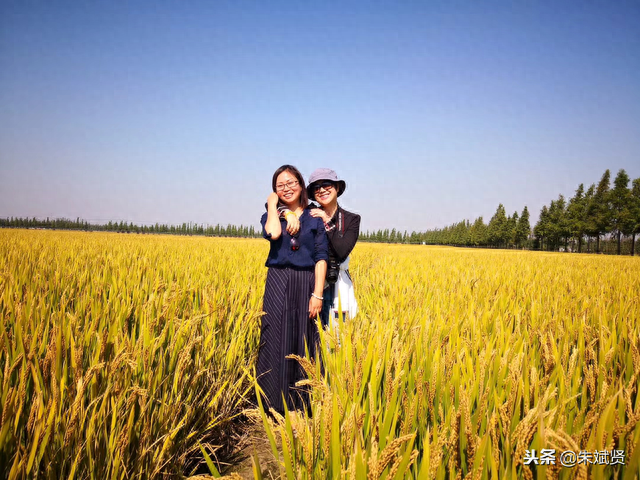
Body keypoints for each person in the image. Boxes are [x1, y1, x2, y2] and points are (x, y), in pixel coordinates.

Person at [257, 165, 328, 414]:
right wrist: (274, 205)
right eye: (279, 185)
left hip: (305, 281)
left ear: (301, 185)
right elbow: (274, 234)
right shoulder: (271, 215)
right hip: (277, 280)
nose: (286, 188)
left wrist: (317, 293)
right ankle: (273, 404)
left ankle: (303, 402)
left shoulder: (314, 217)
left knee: (304, 336)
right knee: (275, 334)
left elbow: (321, 257)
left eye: (291, 183)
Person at [285, 168, 360, 328]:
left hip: (338, 288)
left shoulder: (351, 219)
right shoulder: (308, 213)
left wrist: (326, 221)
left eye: (327, 184)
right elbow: (275, 201)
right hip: (310, 284)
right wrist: (289, 214)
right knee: (310, 340)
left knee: (337, 341)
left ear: (337, 188)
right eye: (316, 187)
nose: (322, 190)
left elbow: (341, 251)